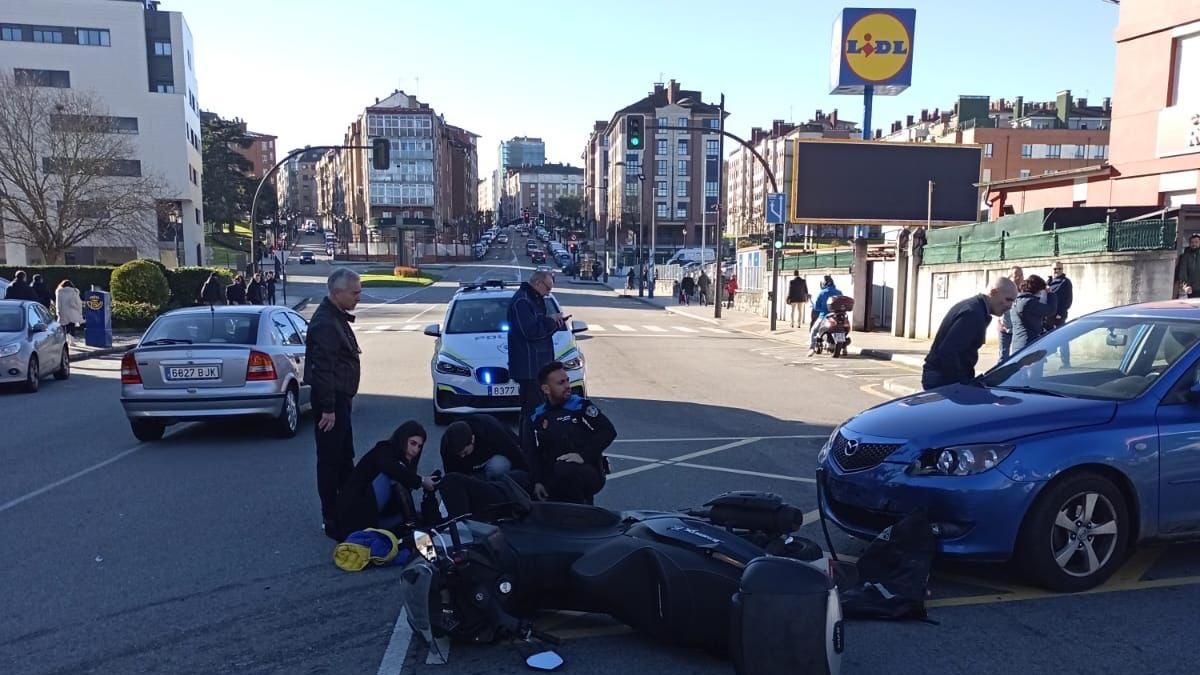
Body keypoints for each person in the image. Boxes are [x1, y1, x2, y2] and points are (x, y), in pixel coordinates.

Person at [305, 268, 364, 537]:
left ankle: (346, 509)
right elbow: (322, 368)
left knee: (344, 457)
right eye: (354, 293)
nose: (359, 298)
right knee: (331, 460)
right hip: (332, 401)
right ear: (337, 293)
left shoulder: (335, 316)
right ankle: (332, 518)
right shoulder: (326, 323)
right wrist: (329, 408)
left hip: (339, 399)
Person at [527, 361, 616, 505]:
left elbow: (608, 432)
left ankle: (582, 510)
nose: (568, 386)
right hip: (553, 475)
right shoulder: (538, 416)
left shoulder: (580, 406)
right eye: (561, 383)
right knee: (517, 479)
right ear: (546, 389)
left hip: (585, 470)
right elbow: (534, 452)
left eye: (567, 380)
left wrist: (583, 455)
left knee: (565, 468)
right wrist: (537, 481)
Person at [331, 421, 436, 541]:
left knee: (413, 518)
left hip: (373, 517)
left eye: (419, 446)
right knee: (391, 476)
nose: (415, 450)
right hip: (354, 512)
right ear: (403, 438)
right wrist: (421, 481)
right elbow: (391, 468)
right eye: (413, 443)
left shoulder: (403, 466)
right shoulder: (385, 448)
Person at [921, 277, 1017, 390]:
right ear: (994, 292)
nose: (1010, 306)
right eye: (1008, 299)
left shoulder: (975, 308)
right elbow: (948, 352)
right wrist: (964, 382)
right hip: (943, 379)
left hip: (942, 376)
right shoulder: (973, 313)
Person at [507, 270, 566, 451]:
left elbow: (537, 326)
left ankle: (527, 446)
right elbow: (530, 331)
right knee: (534, 410)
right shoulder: (522, 301)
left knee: (530, 411)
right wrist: (552, 322)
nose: (548, 293)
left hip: (536, 366)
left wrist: (552, 322)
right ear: (538, 283)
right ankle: (531, 448)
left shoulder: (531, 298)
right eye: (547, 288)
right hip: (530, 368)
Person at [439, 414, 530, 485]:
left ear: (473, 439)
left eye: (465, 452)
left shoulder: (490, 430)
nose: (462, 456)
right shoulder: (447, 446)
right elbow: (451, 476)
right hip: (469, 473)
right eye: (458, 454)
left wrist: (532, 479)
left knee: (498, 466)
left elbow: (515, 453)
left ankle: (498, 487)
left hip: (492, 463)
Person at [1009, 275, 1053, 355]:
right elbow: (1050, 310)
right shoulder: (1029, 303)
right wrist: (1051, 294)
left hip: (1018, 344)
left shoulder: (1017, 301)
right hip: (1030, 345)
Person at [808, 276, 843, 356]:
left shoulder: (822, 292)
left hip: (824, 316)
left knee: (814, 330)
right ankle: (843, 347)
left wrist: (817, 308)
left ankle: (811, 348)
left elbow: (817, 307)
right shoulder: (839, 292)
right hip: (837, 316)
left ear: (824, 283)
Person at [1047, 261, 1074, 367]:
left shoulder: (1066, 282)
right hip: (1048, 314)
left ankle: (1066, 362)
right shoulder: (1048, 281)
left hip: (1059, 314)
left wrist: (1061, 313)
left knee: (1062, 338)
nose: (1057, 271)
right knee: (1045, 338)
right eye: (1055, 269)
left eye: (1059, 269)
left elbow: (1068, 300)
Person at [997, 266, 1025, 362]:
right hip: (1004, 329)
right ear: (1010, 277)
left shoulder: (1025, 290)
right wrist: (999, 322)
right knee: (1003, 357)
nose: (1019, 278)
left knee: (1018, 357)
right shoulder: (1003, 290)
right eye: (1016, 275)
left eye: (1020, 275)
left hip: (1018, 330)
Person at [1177, 234, 1200, 299]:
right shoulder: (1185, 256)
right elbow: (1183, 271)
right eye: (1192, 242)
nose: (1194, 244)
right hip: (1192, 288)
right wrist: (1186, 285)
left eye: (1196, 242)